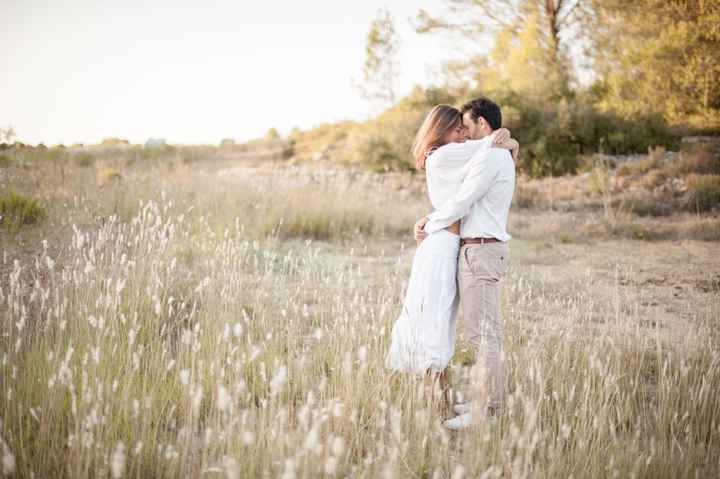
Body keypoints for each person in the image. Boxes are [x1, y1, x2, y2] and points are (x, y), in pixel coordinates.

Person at [385, 103, 518, 415]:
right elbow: (481, 149)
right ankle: (447, 403)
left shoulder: (476, 154)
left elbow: (477, 161)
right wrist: (504, 138)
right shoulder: (446, 154)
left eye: (465, 127)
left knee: (448, 323)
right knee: (436, 321)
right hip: (444, 244)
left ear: (479, 123)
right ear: (441, 130)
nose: (463, 134)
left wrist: (506, 141)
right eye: (457, 129)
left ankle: (475, 406)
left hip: (455, 245)